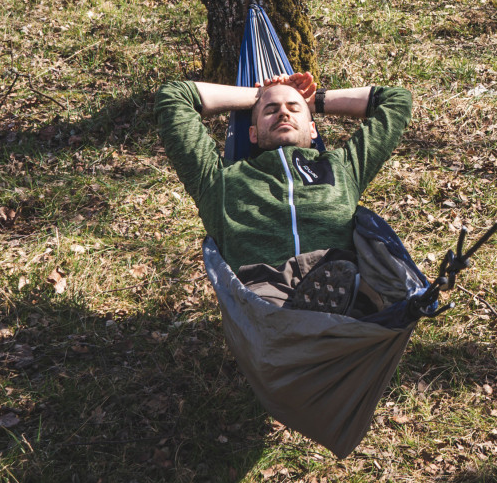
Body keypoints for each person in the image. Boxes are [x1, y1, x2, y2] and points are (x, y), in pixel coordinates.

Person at [155, 72, 414, 315]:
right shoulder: (217, 179)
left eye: (294, 108)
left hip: (341, 279)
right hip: (264, 293)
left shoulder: (342, 167)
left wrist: (313, 99)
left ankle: (339, 309)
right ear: (252, 133)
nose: (283, 113)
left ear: (313, 129)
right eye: (270, 110)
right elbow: (174, 96)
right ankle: (314, 315)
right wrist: (259, 95)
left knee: (369, 288)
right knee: (270, 310)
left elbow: (396, 100)